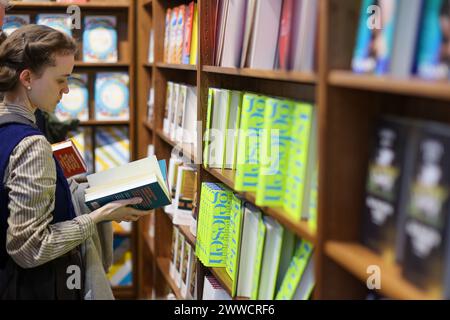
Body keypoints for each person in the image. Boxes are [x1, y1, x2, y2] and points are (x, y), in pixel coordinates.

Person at [0, 24, 151, 300]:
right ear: (27, 77)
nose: (67, 90)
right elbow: (29, 248)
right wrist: (100, 217)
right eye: (61, 80)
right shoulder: (31, 145)